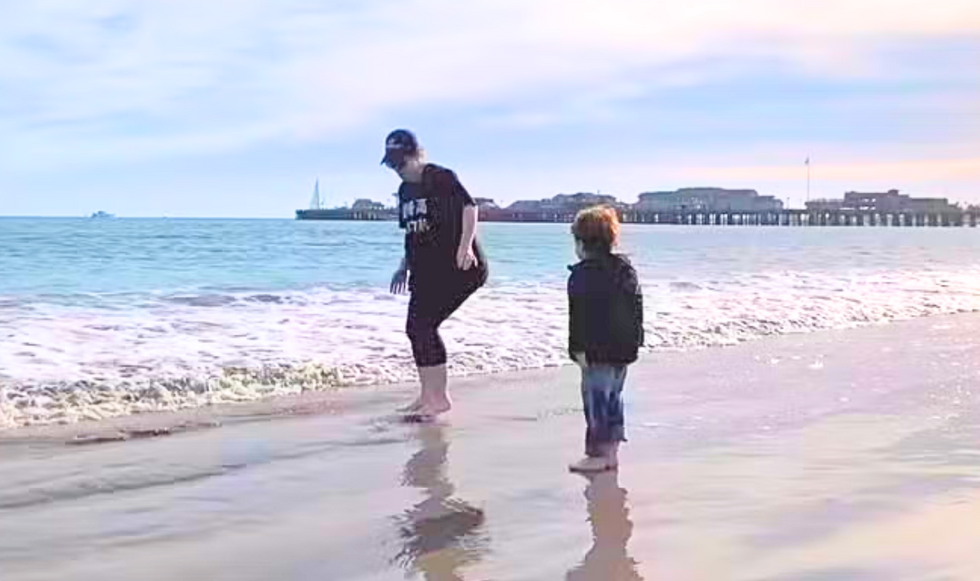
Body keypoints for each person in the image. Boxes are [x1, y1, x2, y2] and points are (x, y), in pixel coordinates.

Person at [384, 129, 488, 420]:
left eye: (401, 164)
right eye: (392, 165)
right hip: (425, 271)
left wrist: (466, 246)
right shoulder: (405, 192)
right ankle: (427, 395)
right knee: (415, 328)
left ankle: (439, 399)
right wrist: (403, 266)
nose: (397, 171)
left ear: (416, 155)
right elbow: (413, 232)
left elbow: (470, 207)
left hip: (460, 269)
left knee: (423, 326)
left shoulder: (440, 177)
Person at [567, 206, 644, 473]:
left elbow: (579, 317)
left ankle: (597, 455)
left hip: (596, 351)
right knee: (613, 398)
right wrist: (636, 343)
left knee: (595, 400)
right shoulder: (626, 270)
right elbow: (637, 309)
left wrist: (576, 349)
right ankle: (610, 453)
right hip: (623, 349)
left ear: (581, 243)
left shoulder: (582, 275)